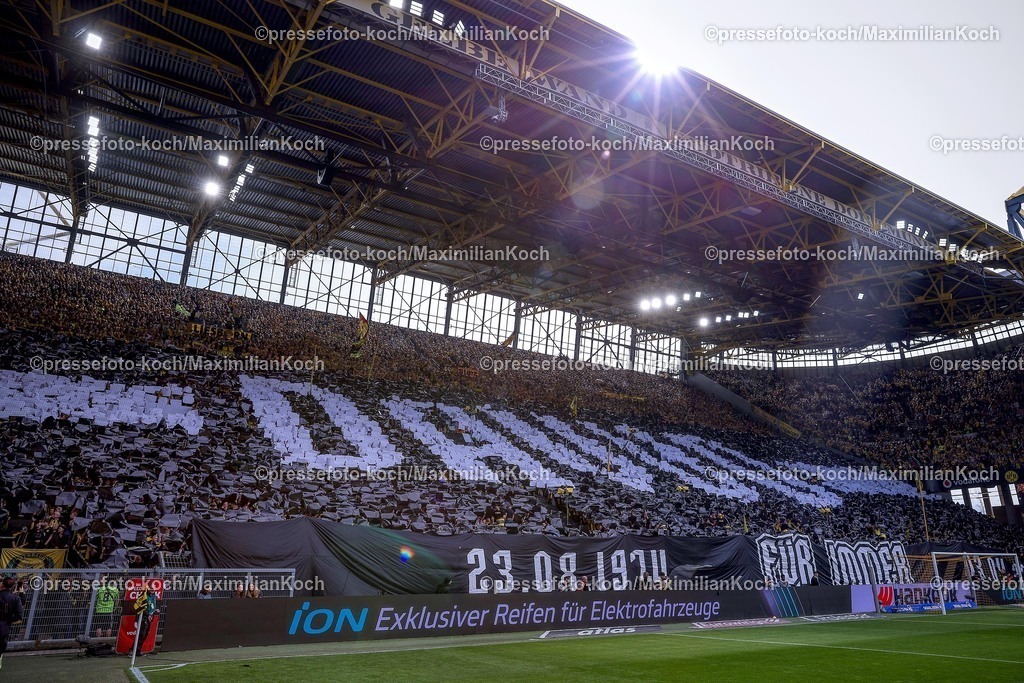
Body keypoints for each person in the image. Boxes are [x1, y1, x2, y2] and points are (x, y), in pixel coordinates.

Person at [0, 577, 24, 670]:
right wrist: (9, 620)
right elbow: (19, 615)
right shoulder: (15, 598)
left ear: (2, 584)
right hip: (4, 626)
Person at [132, 583, 158, 657]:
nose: (152, 590)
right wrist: (148, 615)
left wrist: (152, 614)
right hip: (142, 618)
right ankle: (132, 650)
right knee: (140, 635)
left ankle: (138, 650)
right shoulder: (144, 596)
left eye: (153, 588)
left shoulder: (154, 596)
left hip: (149, 618)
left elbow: (152, 607)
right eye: (151, 588)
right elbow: (141, 608)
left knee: (145, 635)